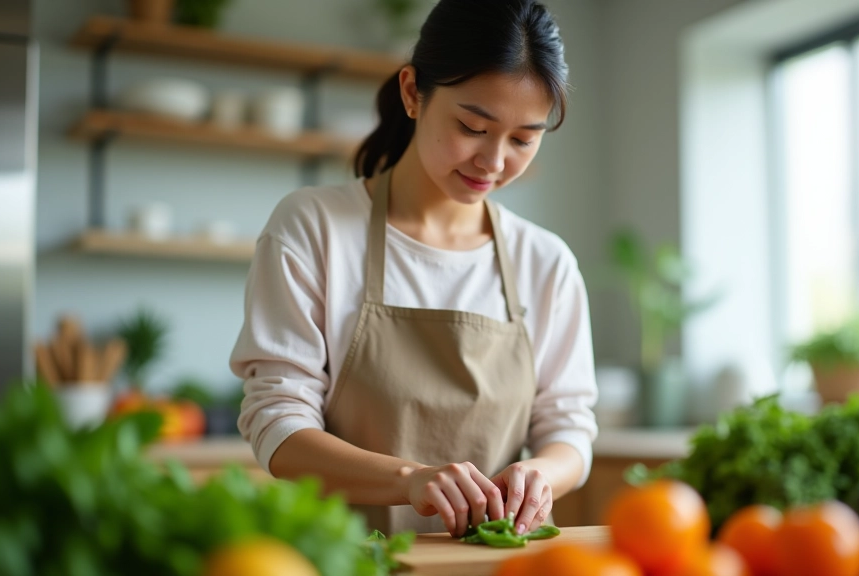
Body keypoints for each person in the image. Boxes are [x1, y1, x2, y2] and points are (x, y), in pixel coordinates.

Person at [230, 0, 598, 538]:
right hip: (347, 562)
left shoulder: (545, 262)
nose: (494, 162)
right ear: (411, 92)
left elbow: (569, 429)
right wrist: (409, 480)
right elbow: (278, 425)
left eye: (523, 139)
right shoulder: (314, 226)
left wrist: (540, 474)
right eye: (473, 126)